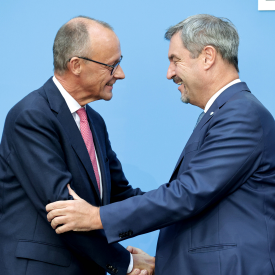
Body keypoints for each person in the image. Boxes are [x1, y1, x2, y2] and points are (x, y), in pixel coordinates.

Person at [47, 14, 275, 275]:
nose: (170, 74)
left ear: (208, 57)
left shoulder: (241, 115)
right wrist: (165, 262)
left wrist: (96, 217)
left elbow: (188, 194)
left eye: (175, 60)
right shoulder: (226, 113)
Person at [0, 16, 155, 275]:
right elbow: (64, 213)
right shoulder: (31, 117)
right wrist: (127, 263)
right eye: (112, 65)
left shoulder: (94, 121)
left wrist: (181, 203)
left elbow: (119, 197)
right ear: (76, 65)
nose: (120, 74)